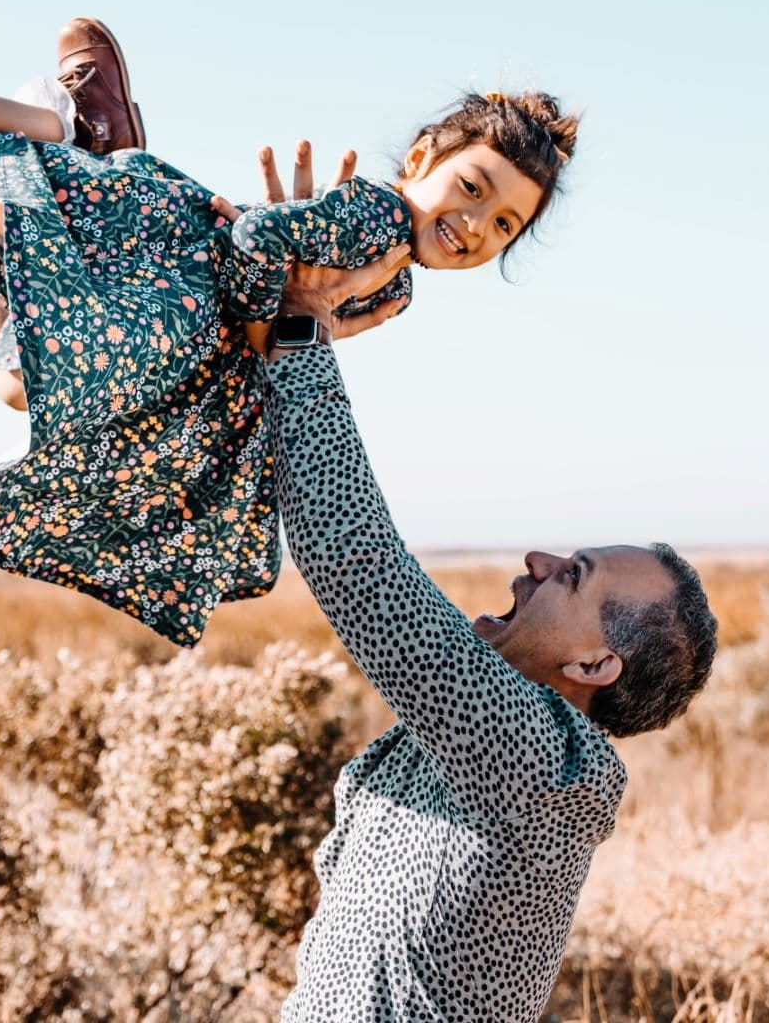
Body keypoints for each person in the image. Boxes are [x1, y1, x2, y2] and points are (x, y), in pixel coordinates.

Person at [0, 18, 578, 646]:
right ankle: (75, 128)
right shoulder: (372, 218)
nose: (477, 224)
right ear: (423, 159)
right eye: (474, 187)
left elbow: (295, 339)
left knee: (15, 384)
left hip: (176, 337)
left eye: (504, 225)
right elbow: (252, 238)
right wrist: (264, 323)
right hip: (158, 260)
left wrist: (291, 331)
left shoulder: (398, 285)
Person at [219, 151, 718, 1020]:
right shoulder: (436, 746)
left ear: (598, 665)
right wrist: (287, 300)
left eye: (575, 575)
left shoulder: (551, 764)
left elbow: (361, 566)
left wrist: (302, 320)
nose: (537, 562)